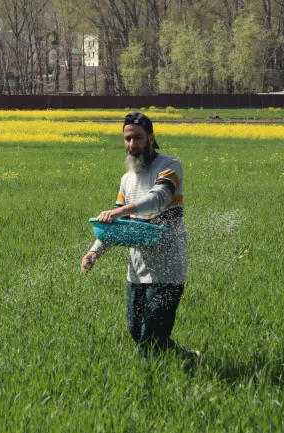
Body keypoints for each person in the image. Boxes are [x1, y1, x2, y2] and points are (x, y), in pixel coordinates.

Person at [81, 112, 199, 360]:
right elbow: (119, 222)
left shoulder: (170, 165)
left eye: (137, 138)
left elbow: (159, 198)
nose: (132, 145)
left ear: (151, 137)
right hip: (137, 269)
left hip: (168, 268)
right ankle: (185, 358)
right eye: (127, 139)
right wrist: (94, 251)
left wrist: (121, 210)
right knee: (137, 332)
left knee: (150, 337)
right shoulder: (127, 179)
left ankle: (151, 384)